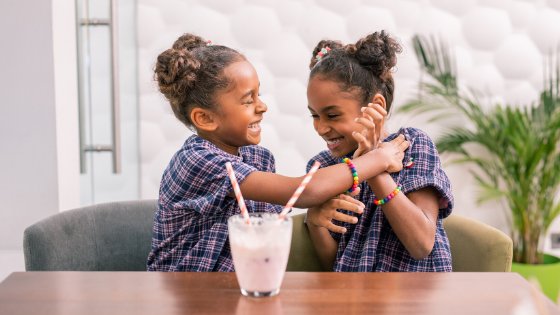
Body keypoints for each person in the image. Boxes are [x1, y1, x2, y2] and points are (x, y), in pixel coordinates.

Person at [146, 33, 410, 272]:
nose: (262, 107)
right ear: (204, 118)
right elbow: (305, 191)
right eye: (248, 100)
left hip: (240, 293)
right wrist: (376, 159)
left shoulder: (258, 159)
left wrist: (314, 218)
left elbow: (267, 231)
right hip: (183, 295)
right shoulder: (196, 160)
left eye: (259, 95)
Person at [304, 31, 454, 272]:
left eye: (332, 115)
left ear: (375, 106)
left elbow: (422, 244)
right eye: (314, 115)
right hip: (354, 301)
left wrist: (373, 167)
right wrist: (315, 223)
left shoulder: (412, 146)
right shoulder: (324, 168)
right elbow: (336, 266)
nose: (320, 127)